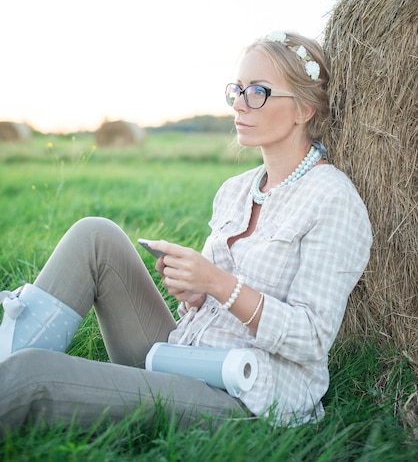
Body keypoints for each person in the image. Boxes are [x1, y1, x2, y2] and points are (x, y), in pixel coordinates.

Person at [0, 31, 372, 436]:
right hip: (181, 357)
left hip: (247, 393)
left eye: (258, 92)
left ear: (304, 108)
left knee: (30, 375)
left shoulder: (333, 199)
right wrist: (196, 294)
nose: (239, 105)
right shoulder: (235, 190)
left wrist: (217, 283)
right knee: (96, 236)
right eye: (237, 90)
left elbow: (312, 339)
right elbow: (212, 304)